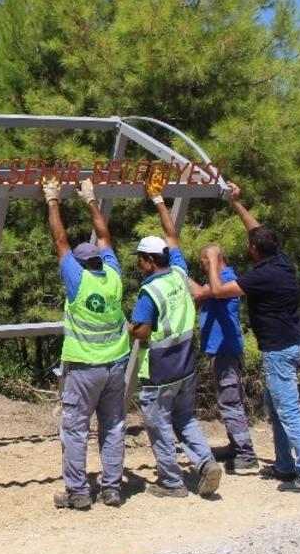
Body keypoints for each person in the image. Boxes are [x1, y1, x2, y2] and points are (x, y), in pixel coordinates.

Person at [202, 182, 300, 494]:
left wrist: (213, 259)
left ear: (255, 250)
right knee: (275, 407)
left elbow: (217, 290)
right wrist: (235, 203)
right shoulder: (282, 261)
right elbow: (256, 230)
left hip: (279, 351)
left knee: (289, 412)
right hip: (291, 344)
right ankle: (285, 465)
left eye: (250, 244)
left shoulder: (262, 275)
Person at [128, 181, 223, 499]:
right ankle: (206, 463)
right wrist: (158, 199)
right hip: (186, 365)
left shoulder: (149, 291)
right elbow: (172, 237)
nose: (138, 264)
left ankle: (171, 482)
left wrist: (129, 329)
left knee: (158, 425)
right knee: (185, 418)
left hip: (160, 371)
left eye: (140, 259)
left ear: (149, 260)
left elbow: (142, 332)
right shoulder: (179, 273)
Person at [42, 176, 130, 510]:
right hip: (116, 365)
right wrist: (90, 199)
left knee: (76, 430)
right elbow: (104, 236)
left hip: (84, 368)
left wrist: (52, 200)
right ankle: (112, 489)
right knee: (113, 426)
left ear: (79, 265)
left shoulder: (77, 279)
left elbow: (59, 240)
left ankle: (78, 492)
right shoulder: (114, 275)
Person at [195, 244, 258, 472]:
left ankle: (245, 453)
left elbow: (202, 292)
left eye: (204, 260)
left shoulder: (226, 279)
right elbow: (200, 296)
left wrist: (178, 271)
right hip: (220, 350)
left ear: (215, 258)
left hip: (226, 350)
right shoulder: (216, 279)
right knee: (227, 399)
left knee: (230, 401)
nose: (202, 265)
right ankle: (235, 445)